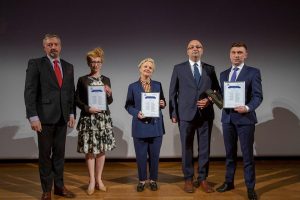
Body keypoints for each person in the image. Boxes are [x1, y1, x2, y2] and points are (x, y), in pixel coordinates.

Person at [24, 34, 76, 200]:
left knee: (59, 155)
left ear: (60, 47)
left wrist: (72, 112)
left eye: (56, 44)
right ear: (44, 47)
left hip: (62, 117)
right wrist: (33, 117)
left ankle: (59, 187)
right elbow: (30, 91)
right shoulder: (36, 64)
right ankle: (46, 190)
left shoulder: (68, 66)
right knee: (45, 155)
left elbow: (70, 93)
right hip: (43, 118)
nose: (53, 47)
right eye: (49, 45)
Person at [169, 40, 220, 193]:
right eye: (191, 47)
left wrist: (209, 100)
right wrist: (173, 113)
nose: (195, 49)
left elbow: (217, 90)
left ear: (202, 50)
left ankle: (203, 179)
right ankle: (188, 179)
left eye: (198, 47)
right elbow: (172, 93)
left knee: (204, 149)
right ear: (187, 51)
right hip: (185, 114)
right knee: (187, 148)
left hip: (205, 115)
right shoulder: (179, 69)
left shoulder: (210, 69)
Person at [216, 42, 263, 200]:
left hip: (245, 119)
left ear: (245, 55)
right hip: (227, 119)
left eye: (240, 52)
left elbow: (258, 96)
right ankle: (229, 182)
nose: (236, 55)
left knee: (247, 155)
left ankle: (250, 188)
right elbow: (223, 97)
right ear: (230, 55)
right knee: (229, 154)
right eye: (234, 52)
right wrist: (214, 98)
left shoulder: (253, 72)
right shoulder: (223, 74)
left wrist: (248, 108)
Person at [75, 47, 116, 195]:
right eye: (92, 62)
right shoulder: (82, 80)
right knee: (90, 150)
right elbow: (77, 100)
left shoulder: (106, 79)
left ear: (102, 63)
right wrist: (87, 108)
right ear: (88, 63)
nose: (95, 64)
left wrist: (110, 93)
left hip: (102, 119)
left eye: (98, 61)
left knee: (101, 149)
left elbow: (109, 101)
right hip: (89, 118)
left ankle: (99, 179)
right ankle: (91, 180)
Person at [125, 58, 166, 192]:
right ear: (140, 68)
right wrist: (137, 113)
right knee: (141, 156)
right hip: (140, 126)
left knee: (154, 156)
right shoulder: (132, 86)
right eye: (145, 66)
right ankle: (142, 180)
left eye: (150, 67)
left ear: (152, 71)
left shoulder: (158, 85)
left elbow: (163, 101)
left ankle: (153, 180)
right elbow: (128, 105)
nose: (148, 69)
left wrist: (163, 104)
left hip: (156, 126)